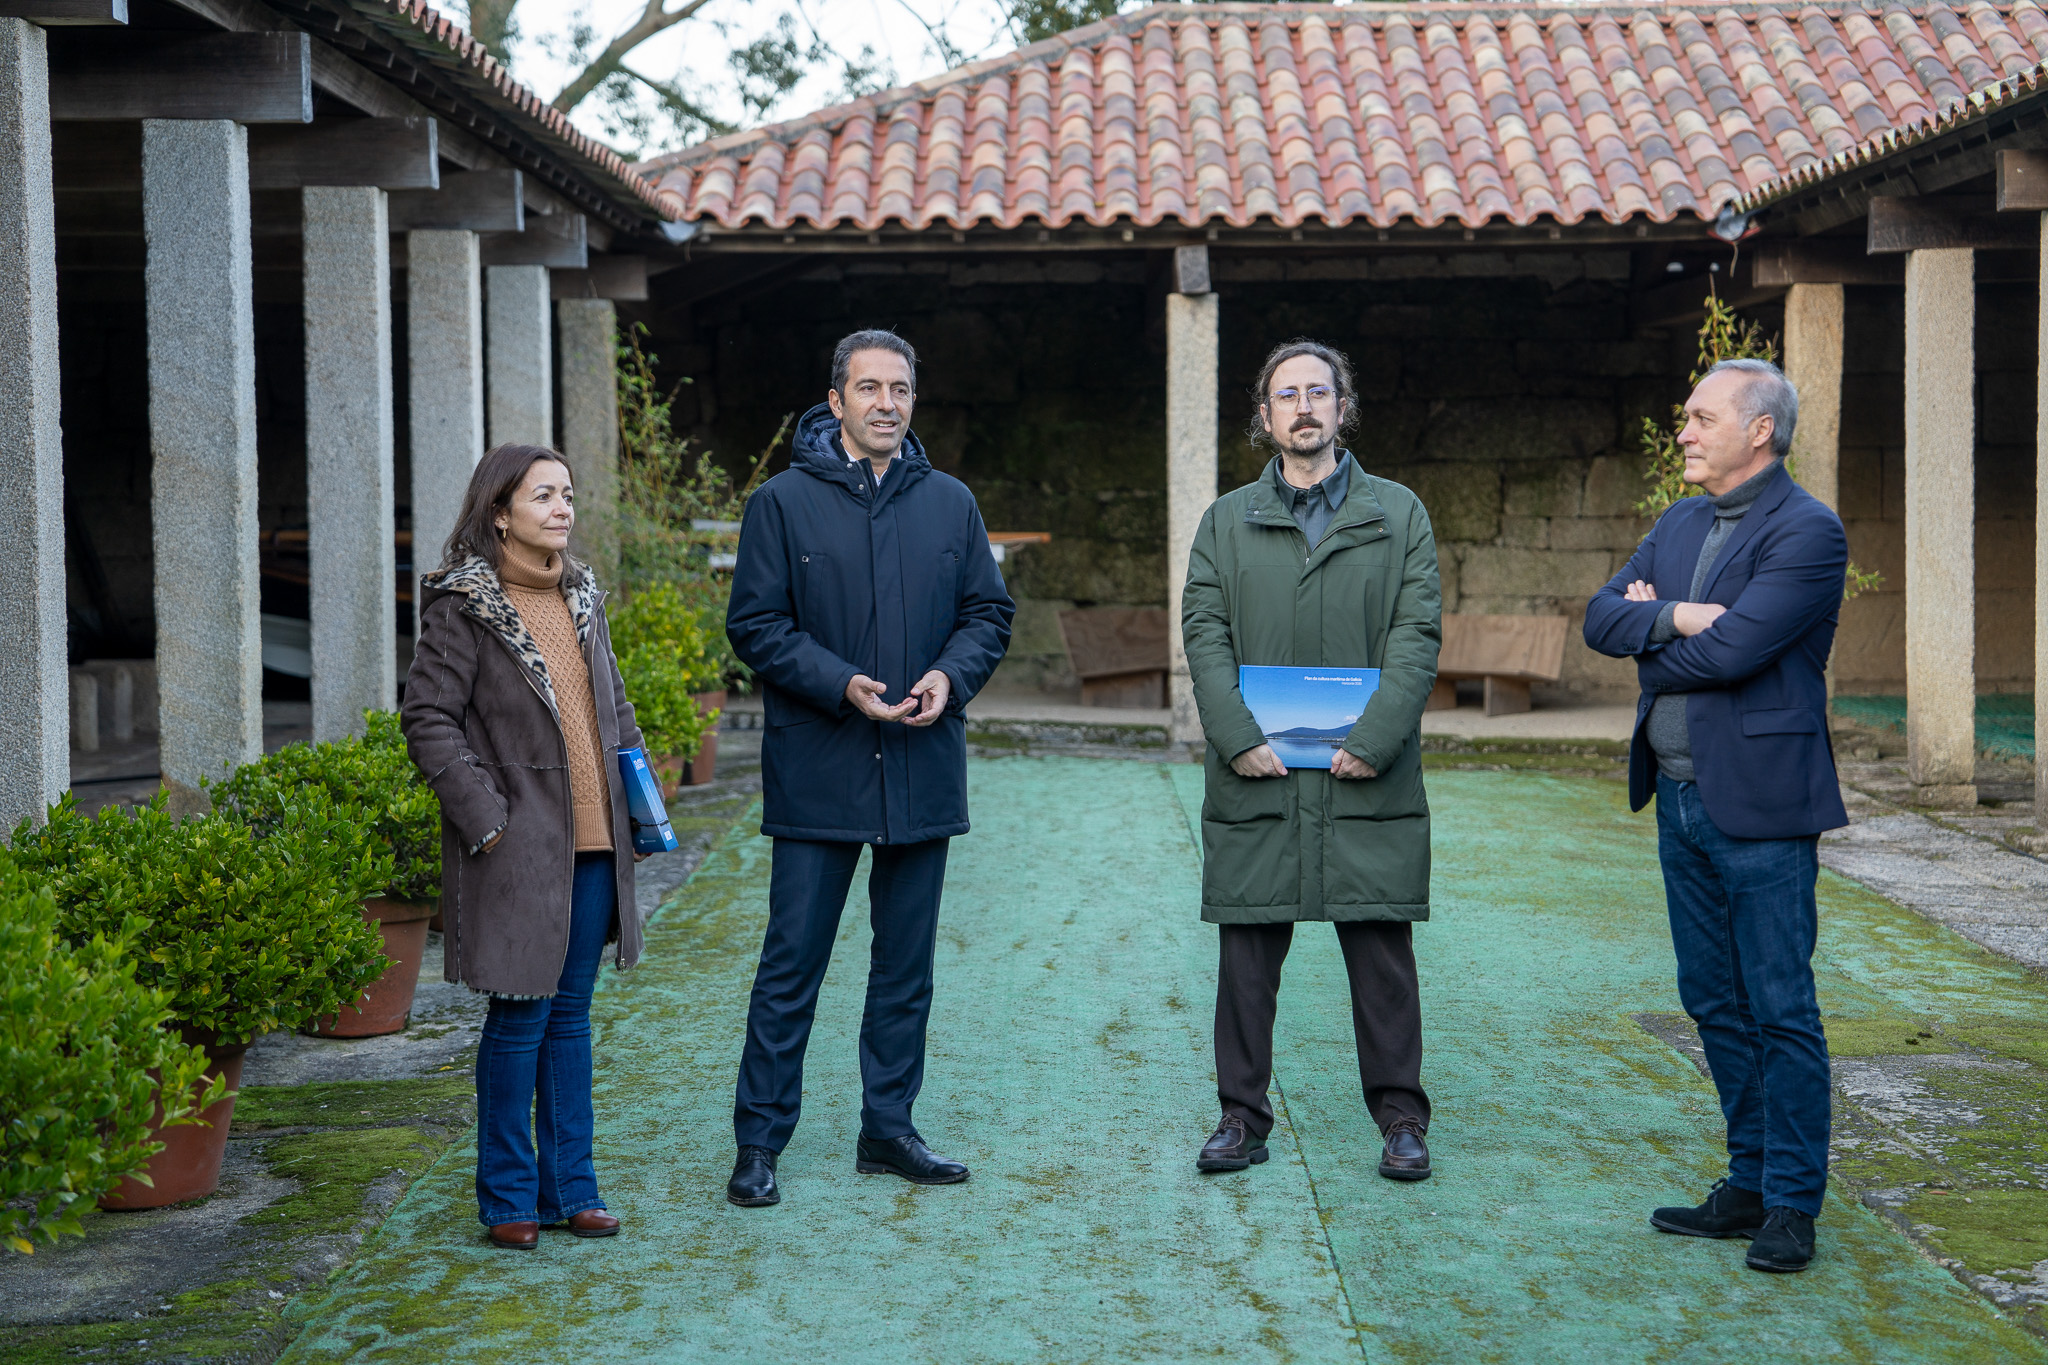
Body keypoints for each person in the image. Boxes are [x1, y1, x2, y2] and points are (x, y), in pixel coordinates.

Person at [721, 329, 1014, 1207]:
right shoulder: (780, 502)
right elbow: (755, 625)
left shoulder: (952, 502)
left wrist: (949, 676)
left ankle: (888, 1129)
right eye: (869, 387)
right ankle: (759, 1140)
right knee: (791, 964)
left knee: (905, 967)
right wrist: (840, 683)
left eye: (901, 389)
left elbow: (988, 614)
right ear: (836, 399)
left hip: (922, 765)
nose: (887, 403)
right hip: (820, 766)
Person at [1584, 358, 1849, 1274]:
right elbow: (1598, 616)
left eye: (1700, 417)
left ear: (1759, 430)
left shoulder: (1807, 530)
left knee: (1779, 1004)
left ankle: (1792, 1204)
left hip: (1763, 806)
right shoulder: (1680, 520)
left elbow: (1734, 653)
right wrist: (1684, 617)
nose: (1684, 431)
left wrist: (1655, 634)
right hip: (1679, 798)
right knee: (1712, 999)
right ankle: (1748, 1181)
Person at [1181, 339, 1442, 1183]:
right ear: (1264, 416)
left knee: (1382, 953)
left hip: (1368, 772)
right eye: (1287, 394)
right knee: (1247, 955)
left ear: (1343, 406)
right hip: (1256, 770)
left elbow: (1416, 634)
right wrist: (1236, 735)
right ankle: (1240, 1116)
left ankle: (1402, 1119)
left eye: (1319, 392)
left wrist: (1374, 739)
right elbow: (1205, 634)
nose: (1304, 407)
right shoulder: (1225, 521)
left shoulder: (1399, 513)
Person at [401, 443, 646, 1251]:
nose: (562, 507)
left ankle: (572, 1188)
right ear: (500, 512)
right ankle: (508, 1197)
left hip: (596, 841)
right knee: (520, 1015)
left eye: (567, 493)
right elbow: (427, 719)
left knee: (569, 1016)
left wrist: (640, 806)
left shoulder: (583, 596)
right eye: (543, 495)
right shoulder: (463, 606)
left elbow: (615, 709)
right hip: (516, 845)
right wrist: (488, 819)